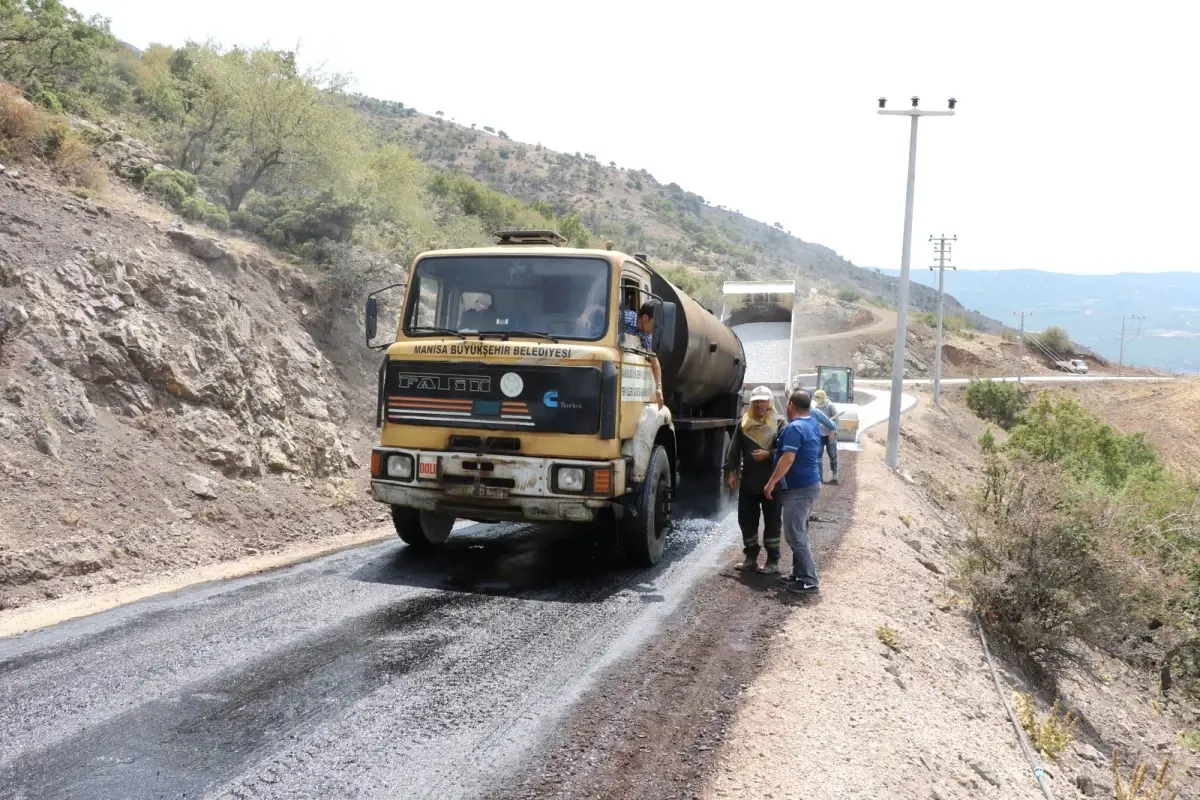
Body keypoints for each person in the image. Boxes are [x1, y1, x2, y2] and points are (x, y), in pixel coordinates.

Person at [763, 390, 834, 595]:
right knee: (799, 531)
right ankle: (799, 574)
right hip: (808, 485)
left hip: (800, 489)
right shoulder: (811, 422)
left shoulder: (795, 427)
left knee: (794, 534)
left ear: (791, 405)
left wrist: (771, 483)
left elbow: (787, 459)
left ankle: (809, 580)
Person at [724, 386, 785, 573]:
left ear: (770, 402)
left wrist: (768, 454)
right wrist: (731, 472)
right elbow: (734, 449)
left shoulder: (780, 423)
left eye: (763, 401)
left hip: (772, 483)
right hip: (749, 482)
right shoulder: (744, 423)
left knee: (772, 521)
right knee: (746, 520)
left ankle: (773, 561)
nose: (760, 404)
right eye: (756, 401)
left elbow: (786, 452)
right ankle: (751, 556)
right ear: (752, 403)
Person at [576, 299, 663, 408]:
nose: (656, 329)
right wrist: (584, 317)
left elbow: (654, 361)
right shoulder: (626, 317)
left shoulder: (646, 336)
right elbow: (595, 307)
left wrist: (659, 388)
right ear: (645, 318)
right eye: (655, 324)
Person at [812, 389, 841, 485]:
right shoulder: (816, 407)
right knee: (818, 455)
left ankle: (835, 476)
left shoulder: (830, 406)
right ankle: (819, 478)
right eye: (815, 398)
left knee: (832, 454)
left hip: (830, 434)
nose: (816, 399)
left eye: (818, 397)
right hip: (820, 435)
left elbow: (836, 419)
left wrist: (832, 432)